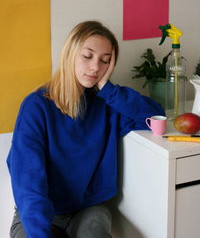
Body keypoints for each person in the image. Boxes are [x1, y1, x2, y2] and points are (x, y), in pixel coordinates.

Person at [7, 20, 165, 238]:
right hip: (41, 211)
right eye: (87, 56)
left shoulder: (109, 104)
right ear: (70, 54)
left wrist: (108, 90)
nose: (95, 67)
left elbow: (156, 115)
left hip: (89, 209)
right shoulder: (37, 106)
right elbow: (28, 182)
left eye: (105, 61)